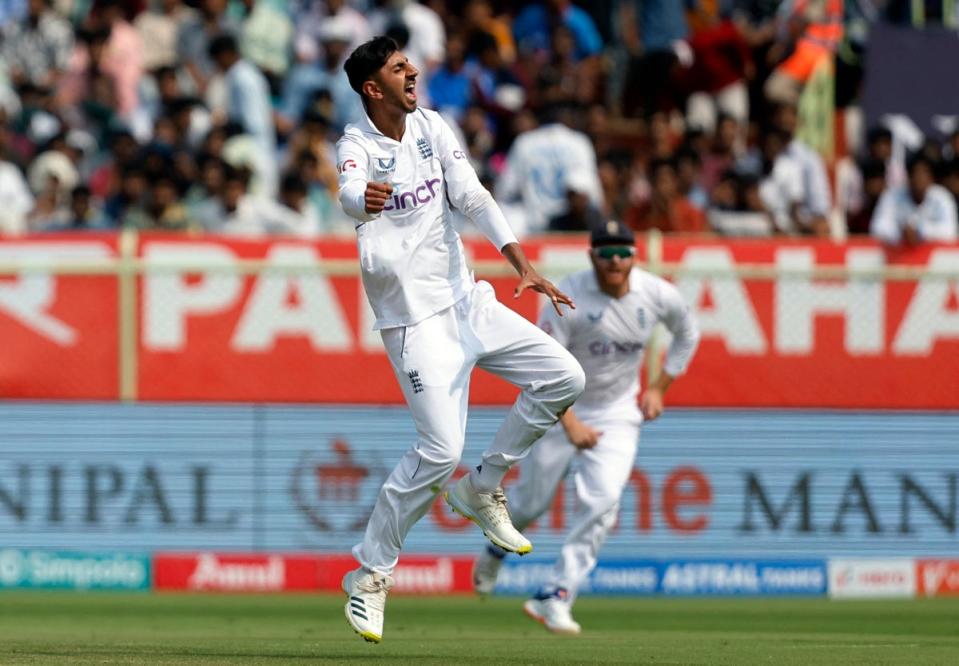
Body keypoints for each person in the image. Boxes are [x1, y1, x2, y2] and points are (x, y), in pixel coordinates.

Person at [335, 36, 586, 644]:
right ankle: (370, 575)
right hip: (415, 322)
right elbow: (348, 190)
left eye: (407, 62)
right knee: (440, 450)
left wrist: (519, 260)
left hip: (467, 299)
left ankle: (484, 486)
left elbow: (471, 194)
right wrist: (359, 201)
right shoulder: (356, 145)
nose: (412, 71)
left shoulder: (432, 125)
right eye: (398, 68)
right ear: (374, 88)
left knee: (565, 378)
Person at [472, 220, 700, 635]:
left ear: (634, 255)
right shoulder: (567, 296)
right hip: (560, 409)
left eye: (623, 253)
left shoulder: (656, 294)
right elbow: (543, 369)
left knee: (603, 501)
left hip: (617, 414)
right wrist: (571, 422)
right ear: (592, 255)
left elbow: (687, 333)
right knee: (529, 504)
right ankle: (494, 549)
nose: (615, 261)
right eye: (606, 253)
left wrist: (659, 388)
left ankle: (556, 596)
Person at [870, 154, 959, 246]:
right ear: (908, 177)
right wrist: (901, 233)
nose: (919, 178)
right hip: (898, 256)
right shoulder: (891, 196)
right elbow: (877, 227)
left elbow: (951, 230)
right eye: (915, 173)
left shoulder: (942, 198)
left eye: (924, 173)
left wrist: (920, 231)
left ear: (932, 178)